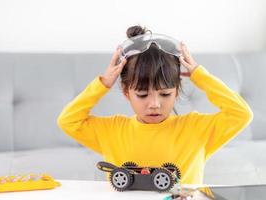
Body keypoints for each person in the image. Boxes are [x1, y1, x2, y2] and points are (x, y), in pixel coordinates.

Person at [57, 25, 253, 184]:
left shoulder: (196, 129)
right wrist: (102, 84)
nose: (154, 104)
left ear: (176, 90)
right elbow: (68, 121)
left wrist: (200, 76)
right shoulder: (113, 131)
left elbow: (241, 114)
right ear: (127, 93)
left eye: (165, 94)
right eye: (142, 95)